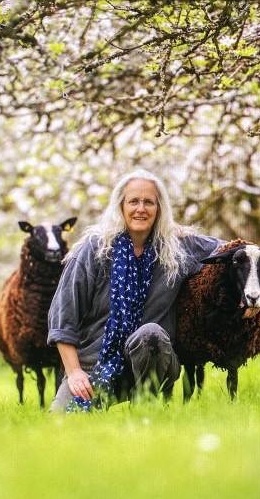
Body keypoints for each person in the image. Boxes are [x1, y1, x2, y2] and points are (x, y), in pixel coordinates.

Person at [47, 169, 223, 412]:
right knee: (60, 423)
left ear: (159, 208)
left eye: (149, 202)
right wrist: (75, 372)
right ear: (120, 205)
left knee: (151, 333)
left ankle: (146, 408)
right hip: (94, 365)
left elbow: (237, 253)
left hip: (154, 360)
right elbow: (62, 317)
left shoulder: (179, 247)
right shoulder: (93, 249)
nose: (141, 209)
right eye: (133, 201)